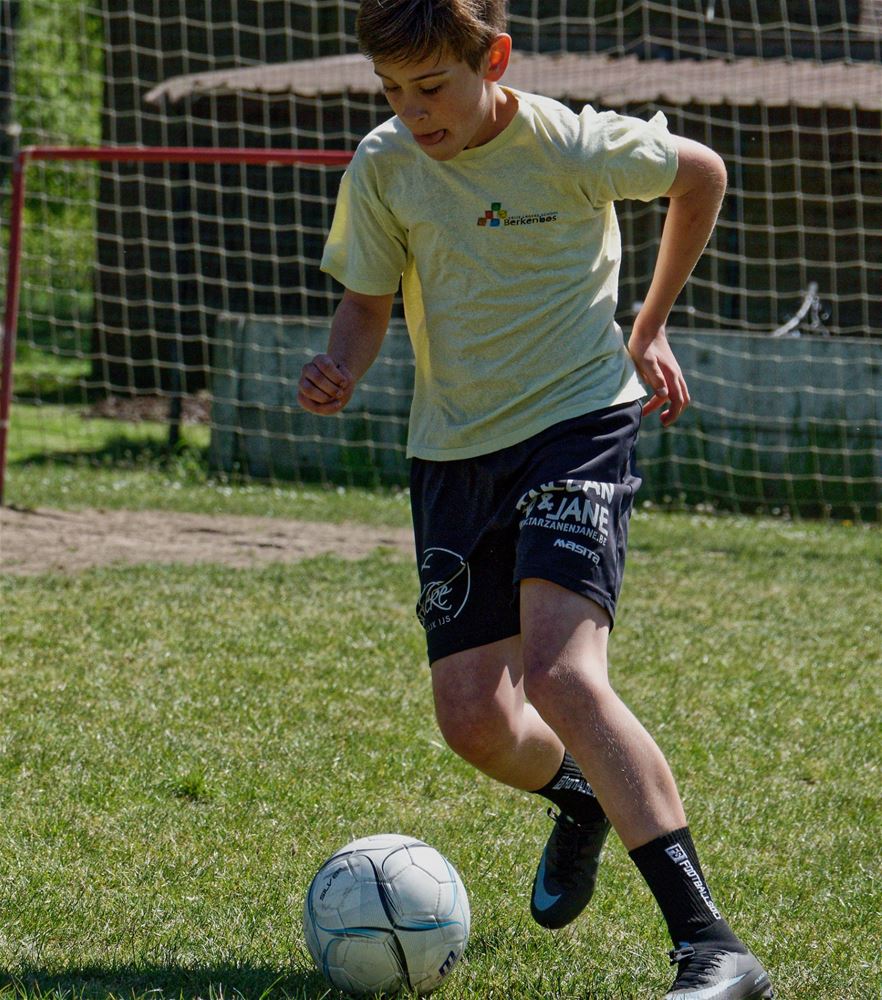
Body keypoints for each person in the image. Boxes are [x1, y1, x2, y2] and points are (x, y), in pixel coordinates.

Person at [297, 2, 773, 997]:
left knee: (560, 673)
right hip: (455, 454)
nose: (412, 109)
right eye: (392, 89)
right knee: (472, 718)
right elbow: (366, 300)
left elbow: (702, 174)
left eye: (433, 86)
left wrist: (648, 327)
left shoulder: (570, 143)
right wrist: (341, 364)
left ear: (495, 60)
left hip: (578, 423)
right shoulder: (383, 163)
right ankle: (581, 793)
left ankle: (712, 947)